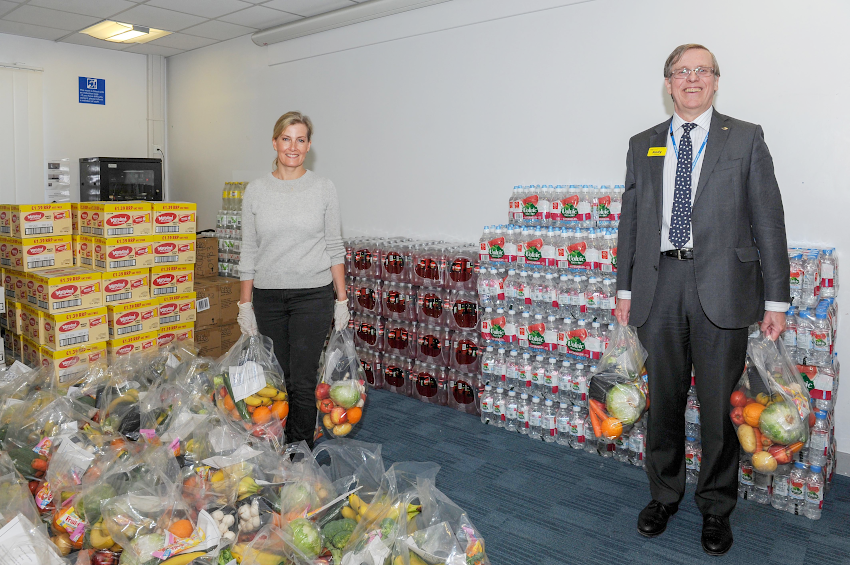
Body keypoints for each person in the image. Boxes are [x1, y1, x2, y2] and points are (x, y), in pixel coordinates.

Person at [615, 44, 789, 555]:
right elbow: (632, 221)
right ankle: (664, 494)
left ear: (715, 81)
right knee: (663, 400)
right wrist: (623, 289)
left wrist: (776, 300)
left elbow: (769, 222)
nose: (691, 79)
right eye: (681, 72)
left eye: (702, 71)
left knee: (719, 408)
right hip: (659, 283)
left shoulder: (747, 138)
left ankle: (716, 507)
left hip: (725, 288)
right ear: (668, 83)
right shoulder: (642, 143)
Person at [237, 111, 350, 448]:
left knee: (301, 381)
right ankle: (275, 445)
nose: (293, 146)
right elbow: (248, 249)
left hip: (312, 297)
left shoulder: (323, 188)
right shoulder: (256, 191)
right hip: (268, 298)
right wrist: (245, 303)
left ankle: (299, 453)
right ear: (275, 143)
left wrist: (341, 299)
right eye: (286, 138)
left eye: (300, 139)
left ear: (309, 145)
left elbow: (334, 246)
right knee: (275, 380)